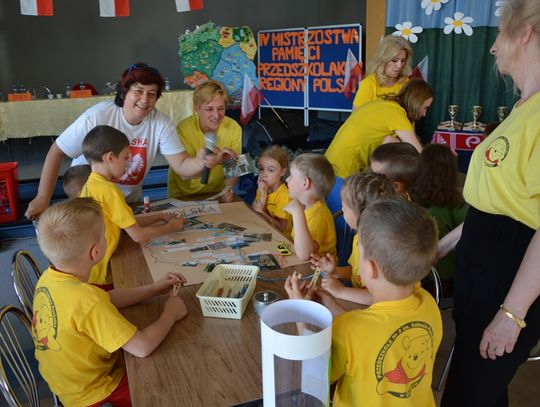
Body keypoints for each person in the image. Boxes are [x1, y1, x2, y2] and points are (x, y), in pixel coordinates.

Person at [439, 1, 540, 405]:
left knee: (468, 393)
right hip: (483, 262)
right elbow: (502, 203)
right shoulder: (522, 108)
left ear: (525, 33)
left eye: (499, 34)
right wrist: (443, 245)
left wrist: (512, 314)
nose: (494, 47)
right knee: (482, 390)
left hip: (511, 273)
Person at [32, 197, 188, 407]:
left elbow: (105, 298)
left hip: (68, 385)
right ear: (95, 252)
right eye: (105, 234)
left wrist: (154, 289)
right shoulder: (87, 301)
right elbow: (142, 347)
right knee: (174, 382)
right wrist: (170, 314)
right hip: (97, 396)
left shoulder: (51, 278)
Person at [285, 199, 442, 406]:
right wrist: (333, 305)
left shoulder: (349, 328)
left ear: (370, 268)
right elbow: (375, 332)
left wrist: (300, 311)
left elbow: (314, 379)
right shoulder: (429, 303)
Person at [25, 62, 231, 219]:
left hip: (128, 203)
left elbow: (183, 167)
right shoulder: (97, 116)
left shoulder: (160, 122)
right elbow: (57, 152)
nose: (145, 100)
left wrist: (203, 162)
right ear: (124, 92)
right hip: (90, 204)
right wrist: (42, 198)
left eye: (152, 94)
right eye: (138, 91)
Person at [80, 125, 185, 288]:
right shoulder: (109, 191)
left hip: (89, 268)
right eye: (125, 158)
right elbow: (138, 235)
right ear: (110, 158)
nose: (129, 163)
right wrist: (171, 227)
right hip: (102, 273)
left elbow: (125, 223)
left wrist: (160, 216)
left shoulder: (91, 184)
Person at [311, 172, 395, 305]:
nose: (342, 209)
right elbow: (357, 273)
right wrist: (335, 271)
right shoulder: (358, 239)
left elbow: (380, 296)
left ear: (361, 215)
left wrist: (342, 291)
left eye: (344, 207)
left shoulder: (380, 251)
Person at [325, 78, 432, 179]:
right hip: (342, 172)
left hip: (328, 165)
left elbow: (389, 140)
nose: (424, 114)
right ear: (416, 102)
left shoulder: (385, 104)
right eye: (425, 107)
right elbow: (419, 153)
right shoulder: (396, 114)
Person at [167, 80, 241, 202]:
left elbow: (234, 167)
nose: (216, 115)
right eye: (209, 109)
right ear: (197, 108)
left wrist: (228, 189)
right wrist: (216, 160)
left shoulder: (234, 127)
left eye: (221, 108)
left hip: (216, 194)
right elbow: (184, 175)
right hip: (183, 195)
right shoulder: (184, 128)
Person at [409, 144, 468, 282]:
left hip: (415, 270)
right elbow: (469, 231)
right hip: (446, 272)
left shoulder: (409, 197)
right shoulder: (457, 203)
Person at [284, 153, 336, 261]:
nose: (287, 180)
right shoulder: (305, 207)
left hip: (315, 270)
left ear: (305, 183)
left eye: (291, 176)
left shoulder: (318, 217)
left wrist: (297, 213)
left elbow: (305, 255)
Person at [353, 34, 413, 109]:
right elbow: (356, 114)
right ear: (383, 59)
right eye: (394, 60)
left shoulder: (405, 83)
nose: (399, 65)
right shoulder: (369, 83)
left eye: (403, 60)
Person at [252, 145, 292, 235]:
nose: (264, 174)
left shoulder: (284, 195)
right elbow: (254, 210)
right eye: (261, 169)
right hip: (264, 230)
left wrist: (261, 211)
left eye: (271, 170)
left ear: (282, 172)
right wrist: (263, 195)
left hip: (282, 237)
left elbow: (281, 228)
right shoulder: (262, 187)